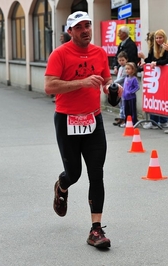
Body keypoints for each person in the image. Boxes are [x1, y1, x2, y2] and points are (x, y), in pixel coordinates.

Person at [44, 11, 120, 249]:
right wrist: (83, 82)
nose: (86, 30)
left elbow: (105, 81)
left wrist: (110, 88)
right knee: (74, 173)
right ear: (70, 31)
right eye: (80, 27)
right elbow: (49, 86)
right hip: (67, 121)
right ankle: (62, 185)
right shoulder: (60, 54)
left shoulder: (99, 53)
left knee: (96, 174)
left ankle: (96, 230)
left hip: (92, 120)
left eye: (88, 25)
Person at [140, 29, 168, 130]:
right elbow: (151, 59)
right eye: (157, 38)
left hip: (165, 77)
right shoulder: (154, 47)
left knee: (163, 98)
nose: (159, 40)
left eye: (160, 37)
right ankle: (154, 121)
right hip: (156, 76)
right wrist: (145, 62)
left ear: (164, 38)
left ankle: (163, 121)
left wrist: (157, 63)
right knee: (155, 98)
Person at [121, 62, 140, 127]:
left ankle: (134, 122)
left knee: (132, 111)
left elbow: (137, 87)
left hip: (131, 98)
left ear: (133, 70)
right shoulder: (126, 78)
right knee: (126, 110)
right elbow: (124, 87)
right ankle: (127, 122)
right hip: (125, 97)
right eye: (126, 69)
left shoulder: (134, 78)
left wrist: (131, 92)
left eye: (128, 69)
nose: (127, 70)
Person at [112, 51, 128, 127]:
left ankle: (124, 118)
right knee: (120, 103)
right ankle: (121, 117)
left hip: (123, 88)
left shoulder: (126, 68)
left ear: (126, 60)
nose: (121, 62)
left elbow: (123, 78)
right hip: (119, 87)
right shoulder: (120, 67)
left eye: (123, 60)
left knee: (123, 104)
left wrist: (114, 82)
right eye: (120, 60)